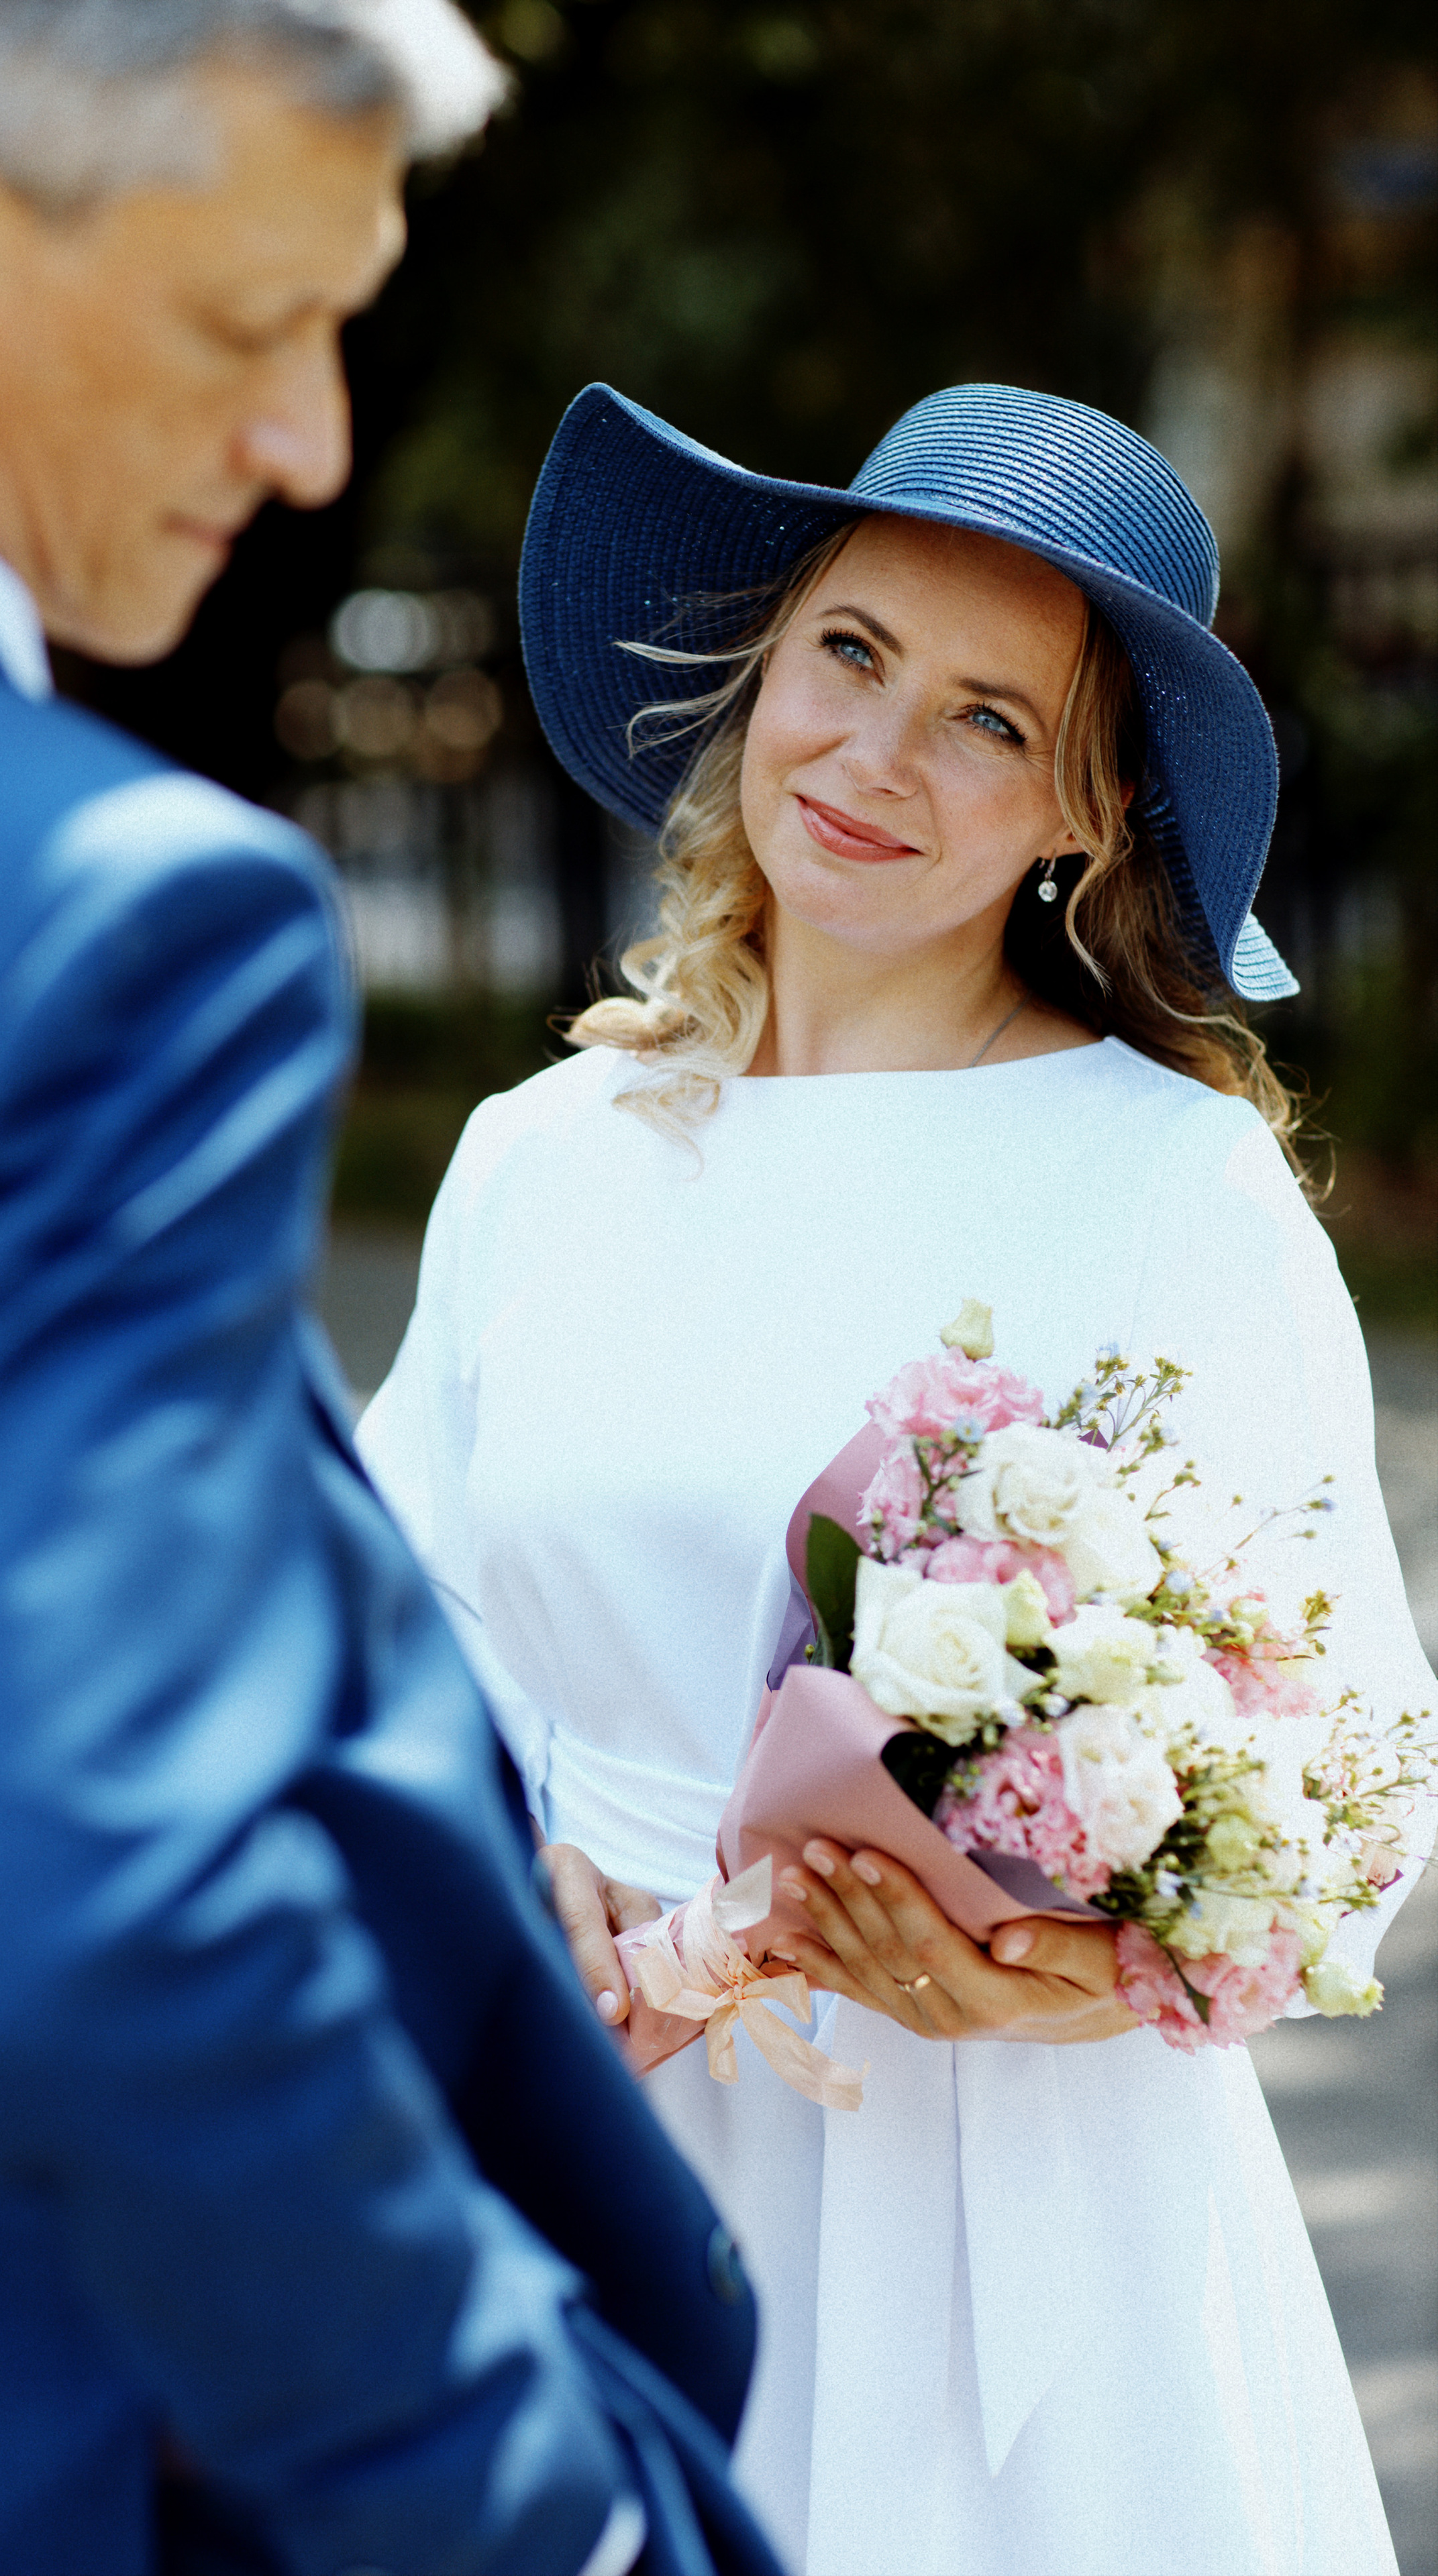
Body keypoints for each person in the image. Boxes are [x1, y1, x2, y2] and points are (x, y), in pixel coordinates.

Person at [0, 16, 787, 2576]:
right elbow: (108, 1907)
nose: (312, 443)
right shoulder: (91, 917)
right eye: (250, 325)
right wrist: (539, 2519)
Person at [357, 380, 1437, 2575]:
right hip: (599, 2125)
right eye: (849, 655)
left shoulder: (1172, 1183)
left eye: (986, 720)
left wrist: (1055, 1981)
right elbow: (395, 1626)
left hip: (1018, 2198)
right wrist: (504, 1855)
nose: (873, 757)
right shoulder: (538, 1162)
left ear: (1085, 816)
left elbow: (1360, 1779)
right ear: (764, 665)